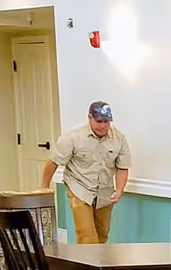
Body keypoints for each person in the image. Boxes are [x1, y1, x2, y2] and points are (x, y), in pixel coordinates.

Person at [42, 101, 131, 244]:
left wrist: (120, 189)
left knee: (102, 234)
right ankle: (88, 265)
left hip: (104, 190)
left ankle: (100, 264)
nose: (103, 126)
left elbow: (123, 167)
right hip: (79, 187)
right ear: (90, 118)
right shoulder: (72, 136)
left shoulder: (119, 138)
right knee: (87, 235)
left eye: (107, 121)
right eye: (99, 121)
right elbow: (53, 162)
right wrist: (44, 187)